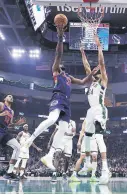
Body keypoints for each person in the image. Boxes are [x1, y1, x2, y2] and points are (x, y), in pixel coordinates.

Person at [23, 25, 99, 171]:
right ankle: (30, 139)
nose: (61, 66)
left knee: (63, 129)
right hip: (57, 97)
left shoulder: (68, 77)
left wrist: (91, 74)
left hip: (66, 103)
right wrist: (60, 37)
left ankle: (49, 155)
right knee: (52, 119)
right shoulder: (56, 72)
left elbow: (83, 82)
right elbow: (58, 54)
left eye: (62, 66)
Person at [80, 36, 111, 184]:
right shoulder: (92, 82)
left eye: (98, 72)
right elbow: (87, 67)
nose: (96, 73)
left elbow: (101, 63)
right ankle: (87, 163)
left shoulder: (103, 81)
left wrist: (99, 47)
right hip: (90, 111)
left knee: (99, 138)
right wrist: (82, 52)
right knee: (87, 136)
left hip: (99, 110)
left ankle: (105, 170)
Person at [0, 94, 26, 180]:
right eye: (9, 96)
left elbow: (10, 125)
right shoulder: (1, 105)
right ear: (5, 99)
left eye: (12, 96)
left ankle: (9, 173)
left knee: (18, 147)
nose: (11, 96)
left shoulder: (12, 111)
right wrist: (1, 114)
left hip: (5, 131)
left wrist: (17, 124)